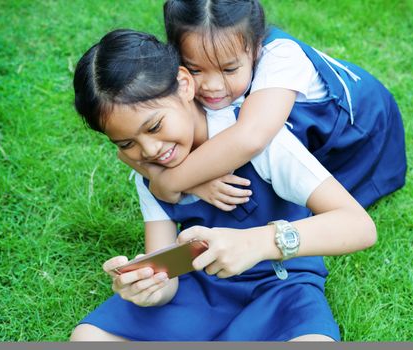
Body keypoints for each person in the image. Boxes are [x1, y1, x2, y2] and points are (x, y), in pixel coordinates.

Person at [70, 29, 376, 341]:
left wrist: (257, 243)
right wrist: (150, 287)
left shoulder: (262, 142)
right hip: (202, 288)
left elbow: (358, 226)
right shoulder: (149, 174)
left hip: (282, 284)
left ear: (184, 85)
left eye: (155, 126)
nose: (149, 151)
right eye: (126, 143)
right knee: (87, 337)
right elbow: (167, 272)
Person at [139, 0, 407, 211]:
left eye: (229, 69)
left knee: (293, 188)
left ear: (256, 48)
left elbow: (250, 138)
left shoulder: (282, 56)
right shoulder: (181, 71)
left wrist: (169, 181)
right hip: (300, 130)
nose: (212, 86)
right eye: (195, 69)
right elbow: (128, 137)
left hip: (359, 132)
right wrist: (194, 184)